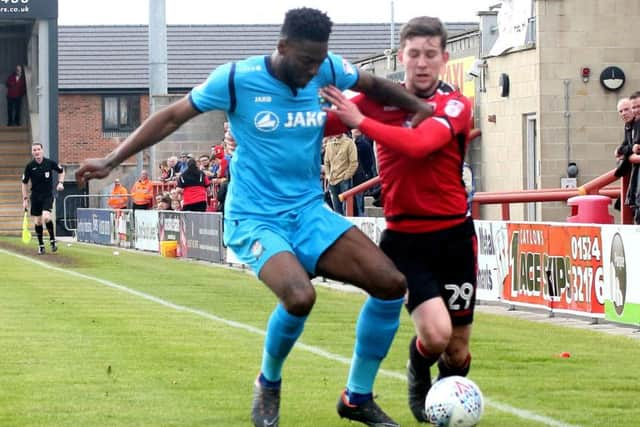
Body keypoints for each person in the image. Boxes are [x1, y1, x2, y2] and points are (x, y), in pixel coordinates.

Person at [75, 8, 433, 427]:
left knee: (391, 285)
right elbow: (171, 116)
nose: (313, 72)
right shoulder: (236, 79)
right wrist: (112, 158)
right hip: (254, 216)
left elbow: (373, 83)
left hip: (308, 212)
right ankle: (269, 382)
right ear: (281, 48)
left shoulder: (326, 67)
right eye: (305, 62)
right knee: (300, 296)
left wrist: (417, 107)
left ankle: (356, 397)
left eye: (319, 62)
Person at [320, 15, 477, 423]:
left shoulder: (455, 104)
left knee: (457, 348)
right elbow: (319, 123)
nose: (422, 63)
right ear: (401, 57)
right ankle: (420, 376)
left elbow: (421, 144)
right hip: (405, 240)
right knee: (436, 334)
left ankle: (446, 395)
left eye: (430, 54)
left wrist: (362, 124)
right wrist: (279, 104)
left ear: (444, 57)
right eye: (414, 54)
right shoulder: (376, 101)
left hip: (456, 237)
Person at [21, 142, 65, 254]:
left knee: (46, 217)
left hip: (47, 196)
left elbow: (61, 171)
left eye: (38, 149)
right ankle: (41, 245)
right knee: (38, 222)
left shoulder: (49, 163)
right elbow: (24, 183)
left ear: (42, 150)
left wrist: (60, 183)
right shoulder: (29, 166)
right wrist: (25, 199)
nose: (36, 152)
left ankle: (52, 240)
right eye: (34, 150)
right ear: (32, 152)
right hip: (35, 197)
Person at [323, 133, 358, 215]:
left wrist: (346, 176)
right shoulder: (329, 143)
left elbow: (354, 163)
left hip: (344, 180)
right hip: (332, 180)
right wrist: (328, 176)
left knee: (346, 208)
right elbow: (326, 162)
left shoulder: (349, 143)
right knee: (336, 208)